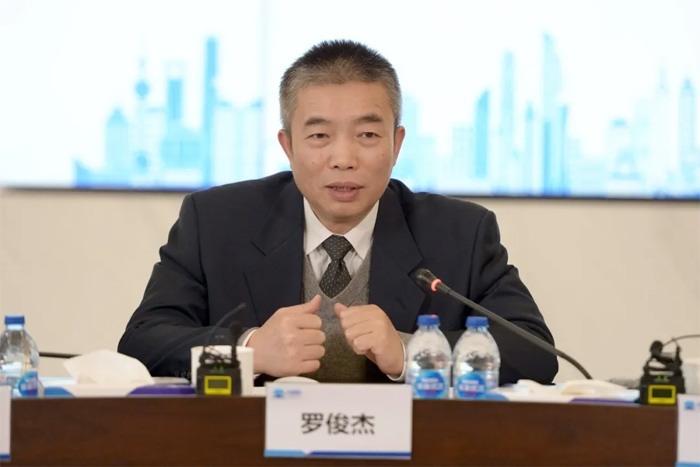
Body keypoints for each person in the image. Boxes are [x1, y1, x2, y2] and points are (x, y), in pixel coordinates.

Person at [117, 39, 558, 385]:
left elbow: (535, 352)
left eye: (367, 135)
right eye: (319, 136)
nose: (343, 159)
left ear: (396, 144)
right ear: (288, 145)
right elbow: (143, 343)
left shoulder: (460, 233)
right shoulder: (215, 221)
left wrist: (412, 352)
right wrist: (248, 350)